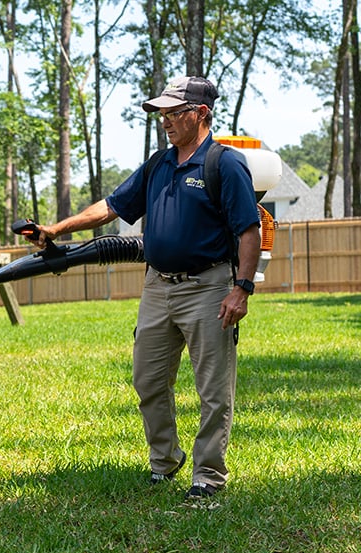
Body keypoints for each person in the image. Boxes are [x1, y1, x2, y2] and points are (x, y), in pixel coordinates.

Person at [27, 76, 261, 500]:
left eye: (174, 113)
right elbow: (112, 206)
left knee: (213, 389)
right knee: (148, 381)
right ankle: (165, 461)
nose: (166, 122)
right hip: (157, 287)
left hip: (208, 287)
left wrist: (241, 288)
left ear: (201, 114)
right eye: (163, 115)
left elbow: (249, 230)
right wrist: (56, 228)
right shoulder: (159, 164)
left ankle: (207, 476)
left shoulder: (224, 165)